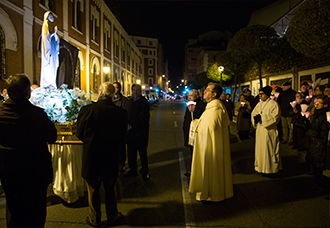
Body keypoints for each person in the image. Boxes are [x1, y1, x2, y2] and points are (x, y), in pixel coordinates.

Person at [0, 74, 57, 227]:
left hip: (9, 172)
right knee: (36, 214)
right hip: (35, 172)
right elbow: (52, 136)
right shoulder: (37, 115)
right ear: (28, 93)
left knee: (13, 210)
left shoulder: (1, 113)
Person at [76, 82, 127, 227]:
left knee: (93, 188)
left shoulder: (87, 110)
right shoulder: (120, 112)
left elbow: (79, 133)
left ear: (100, 93)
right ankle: (112, 216)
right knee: (110, 187)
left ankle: (94, 218)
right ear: (113, 95)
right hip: (111, 156)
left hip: (92, 155)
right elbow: (123, 136)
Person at [189, 82, 233, 202]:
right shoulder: (210, 107)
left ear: (214, 94)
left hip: (211, 148)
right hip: (208, 145)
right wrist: (197, 122)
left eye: (207, 90)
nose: (204, 91)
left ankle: (212, 193)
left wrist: (197, 125)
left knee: (211, 169)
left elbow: (211, 128)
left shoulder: (215, 109)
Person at [251, 85, 282, 177]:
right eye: (259, 94)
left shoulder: (274, 104)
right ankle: (260, 167)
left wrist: (262, 118)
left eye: (262, 94)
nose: (260, 95)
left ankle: (270, 169)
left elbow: (275, 118)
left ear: (267, 94)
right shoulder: (259, 104)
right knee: (260, 150)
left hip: (269, 131)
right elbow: (254, 113)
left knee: (269, 150)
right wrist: (255, 118)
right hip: (260, 130)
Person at [124, 84, 150, 180]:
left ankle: (145, 171)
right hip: (130, 133)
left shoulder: (144, 102)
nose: (135, 92)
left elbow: (143, 118)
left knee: (142, 153)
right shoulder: (129, 102)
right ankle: (133, 169)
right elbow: (126, 114)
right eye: (134, 90)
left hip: (141, 132)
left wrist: (132, 126)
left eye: (137, 90)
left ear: (140, 91)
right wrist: (126, 125)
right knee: (131, 152)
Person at [305, 95, 329, 193]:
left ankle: (321, 185)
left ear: (325, 104)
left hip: (320, 143)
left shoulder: (325, 115)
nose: (316, 105)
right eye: (315, 103)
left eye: (319, 103)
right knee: (314, 163)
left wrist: (309, 130)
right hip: (314, 142)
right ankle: (316, 183)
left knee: (319, 165)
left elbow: (322, 133)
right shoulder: (316, 114)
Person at [183, 89, 206, 177]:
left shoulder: (201, 105)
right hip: (190, 133)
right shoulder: (190, 105)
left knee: (196, 153)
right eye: (189, 96)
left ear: (197, 96)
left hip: (196, 133)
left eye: (191, 96)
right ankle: (193, 170)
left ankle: (196, 171)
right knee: (192, 152)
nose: (189, 97)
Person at [40, 11, 59, 88]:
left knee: (54, 67)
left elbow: (56, 40)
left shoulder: (52, 27)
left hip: (54, 50)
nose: (52, 18)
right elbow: (46, 38)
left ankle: (53, 83)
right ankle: (48, 84)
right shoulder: (45, 26)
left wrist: (55, 34)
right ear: (47, 17)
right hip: (49, 51)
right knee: (49, 67)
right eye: (50, 16)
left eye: (52, 16)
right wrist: (53, 34)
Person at [113, 82, 128, 172]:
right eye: (113, 88)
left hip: (120, 128)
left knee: (121, 147)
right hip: (111, 128)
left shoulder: (124, 101)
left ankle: (122, 164)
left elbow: (125, 115)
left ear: (120, 89)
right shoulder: (110, 99)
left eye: (117, 88)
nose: (115, 90)